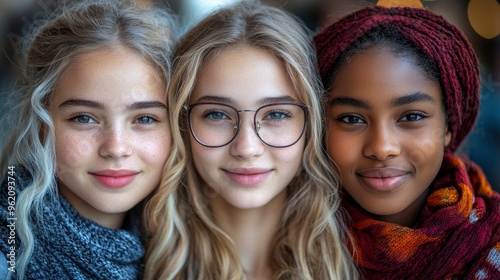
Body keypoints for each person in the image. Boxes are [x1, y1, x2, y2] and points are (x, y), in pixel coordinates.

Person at [143, 1, 358, 279]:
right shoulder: (137, 263)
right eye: (217, 114)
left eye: (277, 114)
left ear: (311, 124)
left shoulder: (359, 261)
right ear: (182, 122)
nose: (246, 148)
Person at [314, 4, 500, 280]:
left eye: (411, 116)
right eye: (352, 119)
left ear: (449, 126)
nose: (382, 147)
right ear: (320, 127)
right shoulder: (287, 251)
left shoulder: (491, 242)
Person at [0, 0, 177, 278]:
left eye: (144, 119)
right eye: (84, 118)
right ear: (41, 125)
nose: (116, 148)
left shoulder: (181, 253)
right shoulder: (7, 255)